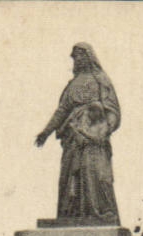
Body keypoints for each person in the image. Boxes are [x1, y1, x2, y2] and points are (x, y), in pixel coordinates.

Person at [36, 43, 120, 225]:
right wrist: (46, 132)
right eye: (75, 57)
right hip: (73, 136)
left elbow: (112, 108)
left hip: (94, 137)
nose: (77, 60)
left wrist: (105, 129)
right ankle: (71, 214)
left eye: (80, 55)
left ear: (89, 57)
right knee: (70, 177)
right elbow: (62, 110)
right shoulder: (72, 85)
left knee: (95, 175)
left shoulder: (101, 80)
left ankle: (99, 213)